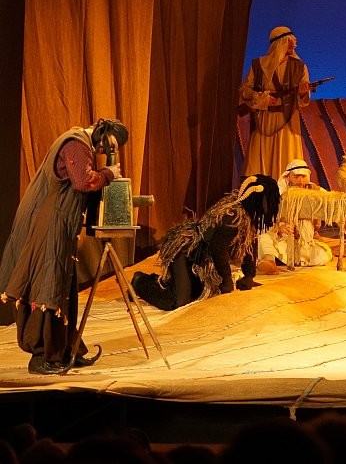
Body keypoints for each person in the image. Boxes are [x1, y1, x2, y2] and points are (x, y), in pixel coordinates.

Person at [0, 118, 127, 375]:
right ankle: (41, 356)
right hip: (52, 225)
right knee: (49, 288)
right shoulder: (76, 144)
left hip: (61, 224)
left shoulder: (81, 144)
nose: (105, 151)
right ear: (101, 133)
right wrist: (109, 174)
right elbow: (83, 181)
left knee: (63, 289)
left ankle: (67, 350)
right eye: (108, 145)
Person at [131, 175, 281, 311]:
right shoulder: (232, 215)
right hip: (185, 251)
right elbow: (218, 248)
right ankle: (140, 281)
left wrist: (249, 275)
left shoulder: (248, 217)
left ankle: (168, 283)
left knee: (196, 294)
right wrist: (226, 278)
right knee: (179, 301)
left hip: (202, 259)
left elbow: (248, 245)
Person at [239, 26, 311, 179]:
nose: (294, 44)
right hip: (263, 121)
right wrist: (263, 99)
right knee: (258, 166)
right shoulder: (258, 65)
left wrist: (302, 92)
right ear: (280, 42)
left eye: (293, 41)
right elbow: (245, 91)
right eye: (289, 41)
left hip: (287, 121)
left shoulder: (299, 67)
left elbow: (303, 101)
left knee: (287, 160)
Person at [256, 160, 333, 274]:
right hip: (283, 240)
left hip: (305, 242)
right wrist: (280, 227)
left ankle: (295, 259)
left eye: (303, 176)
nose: (300, 181)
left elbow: (332, 200)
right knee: (264, 236)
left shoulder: (314, 191)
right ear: (288, 177)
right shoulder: (277, 193)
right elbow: (265, 217)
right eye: (296, 177)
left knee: (324, 254)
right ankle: (269, 261)